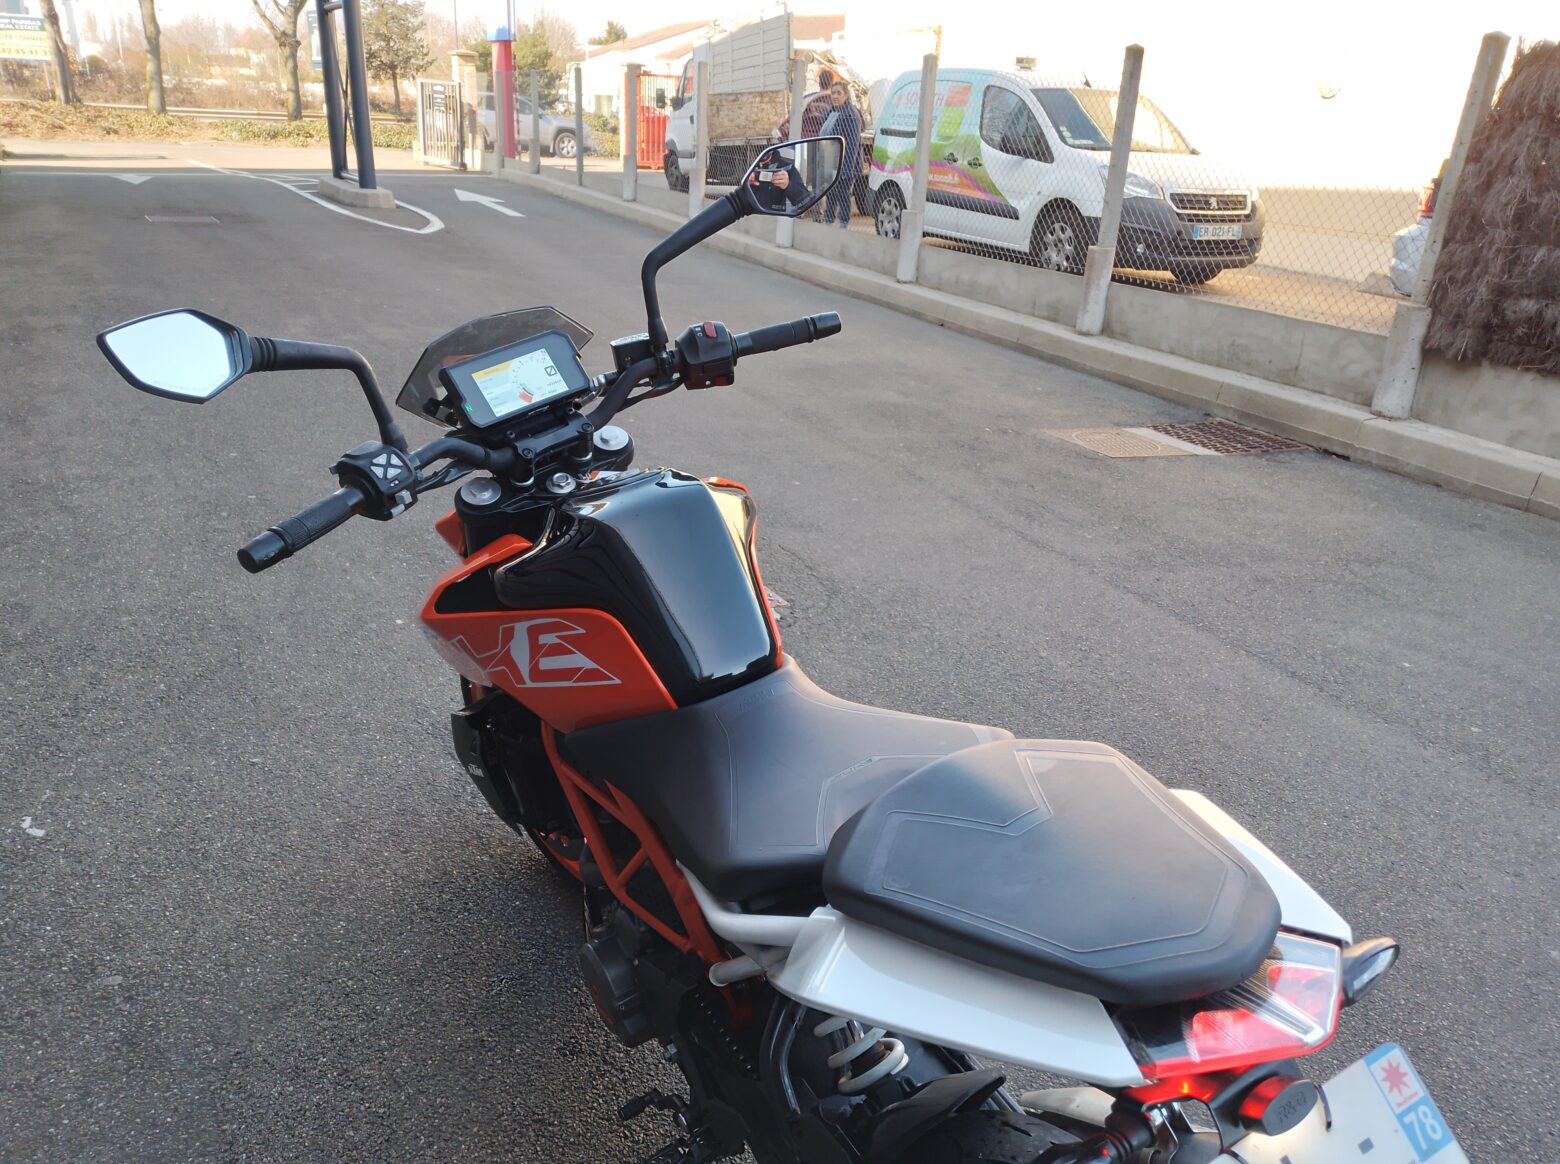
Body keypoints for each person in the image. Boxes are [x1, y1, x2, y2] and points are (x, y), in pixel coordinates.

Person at [816, 82, 862, 228]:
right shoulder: (830, 112)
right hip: (830, 161)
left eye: (839, 93)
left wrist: (846, 170)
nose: (835, 96)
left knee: (843, 195)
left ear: (846, 95)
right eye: (833, 93)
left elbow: (852, 145)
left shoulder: (851, 115)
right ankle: (829, 222)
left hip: (844, 164)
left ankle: (843, 226)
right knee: (830, 194)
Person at [746, 151, 813, 214]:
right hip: (751, 218)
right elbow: (741, 201)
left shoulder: (787, 167)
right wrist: (746, 186)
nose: (762, 151)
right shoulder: (749, 168)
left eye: (764, 147)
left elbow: (806, 203)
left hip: (777, 219)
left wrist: (788, 185)